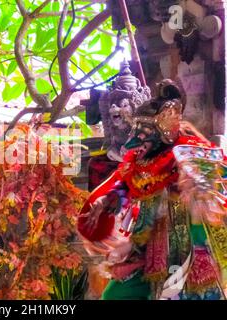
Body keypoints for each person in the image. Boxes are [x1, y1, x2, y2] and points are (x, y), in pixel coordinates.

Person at [78, 80, 227, 300]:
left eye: (144, 132)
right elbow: (128, 185)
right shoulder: (140, 159)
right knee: (115, 295)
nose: (137, 141)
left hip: (185, 244)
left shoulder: (192, 153)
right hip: (147, 242)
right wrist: (108, 200)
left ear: (163, 129)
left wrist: (196, 188)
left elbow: (214, 189)